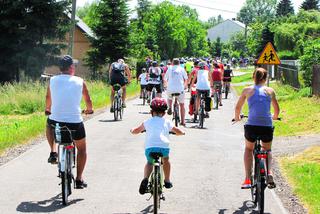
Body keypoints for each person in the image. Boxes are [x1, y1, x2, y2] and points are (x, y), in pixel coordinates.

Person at [45, 55, 93, 189]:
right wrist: (89, 110)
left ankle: (53, 151)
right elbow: (88, 100)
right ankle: (79, 179)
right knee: (82, 150)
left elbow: (48, 97)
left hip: (56, 121)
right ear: (71, 67)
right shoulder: (80, 81)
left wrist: (48, 108)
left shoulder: (52, 80)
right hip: (75, 123)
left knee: (49, 123)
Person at [234, 67, 280, 189]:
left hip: (252, 126)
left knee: (249, 149)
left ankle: (248, 179)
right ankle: (269, 172)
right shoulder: (270, 91)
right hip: (266, 126)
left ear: (253, 77)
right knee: (267, 149)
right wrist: (274, 117)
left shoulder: (247, 90)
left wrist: (237, 117)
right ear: (265, 78)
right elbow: (277, 109)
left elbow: (238, 108)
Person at [130, 97, 185, 194]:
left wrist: (132, 130)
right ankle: (167, 181)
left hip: (150, 148)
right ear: (164, 113)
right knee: (166, 160)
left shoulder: (147, 122)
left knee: (149, 163)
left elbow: (136, 131)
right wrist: (182, 133)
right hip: (163, 147)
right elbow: (178, 131)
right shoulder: (167, 122)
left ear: (151, 112)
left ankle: (145, 179)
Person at [164, 58, 188, 126]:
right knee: (182, 105)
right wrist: (185, 86)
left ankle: (170, 107)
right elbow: (186, 79)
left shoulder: (170, 68)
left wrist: (165, 85)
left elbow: (165, 79)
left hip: (170, 88)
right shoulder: (182, 69)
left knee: (169, 97)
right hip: (180, 88)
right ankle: (183, 121)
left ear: (172, 63)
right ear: (179, 63)